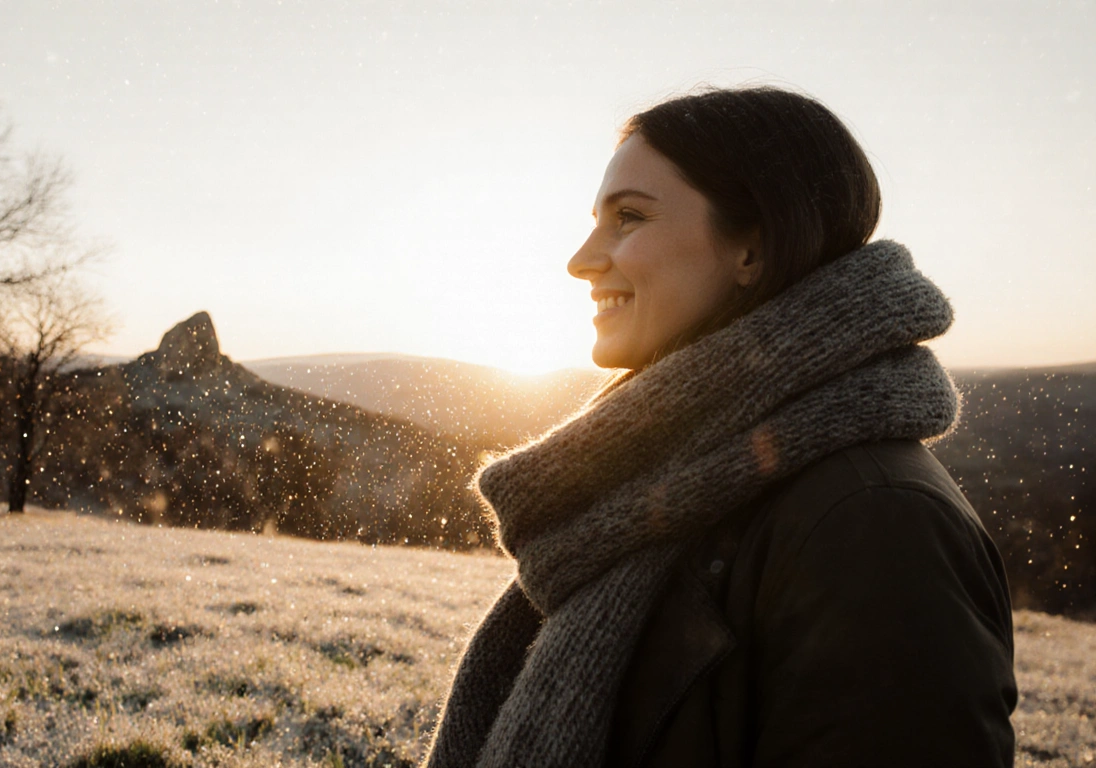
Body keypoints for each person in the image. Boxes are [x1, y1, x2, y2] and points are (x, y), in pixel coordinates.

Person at [424, 86, 1017, 768]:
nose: (582, 259)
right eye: (596, 220)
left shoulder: (877, 524)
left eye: (629, 218)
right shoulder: (668, 484)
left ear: (751, 250)